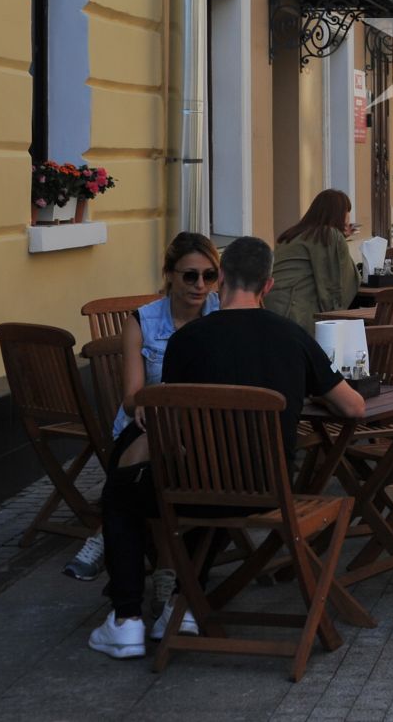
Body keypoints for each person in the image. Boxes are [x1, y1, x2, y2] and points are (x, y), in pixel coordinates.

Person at [87, 236, 366, 661]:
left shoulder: (187, 341)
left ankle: (127, 620)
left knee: (122, 491)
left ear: (221, 282)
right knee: (175, 488)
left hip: (196, 488)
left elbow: (175, 418)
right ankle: (180, 606)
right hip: (269, 489)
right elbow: (353, 407)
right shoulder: (293, 337)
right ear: (268, 285)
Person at [64, 233, 222, 583]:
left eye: (209, 276)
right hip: (145, 422)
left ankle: (107, 534)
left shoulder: (221, 314)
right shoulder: (143, 321)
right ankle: (169, 578)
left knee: (152, 467)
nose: (200, 285)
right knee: (158, 454)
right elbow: (132, 396)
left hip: (200, 427)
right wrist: (162, 404)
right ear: (169, 274)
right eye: (190, 275)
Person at [267, 189, 360, 333]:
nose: (349, 217)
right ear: (339, 213)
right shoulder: (328, 235)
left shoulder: (295, 234)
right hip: (293, 314)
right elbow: (335, 284)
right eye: (347, 210)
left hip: (271, 308)